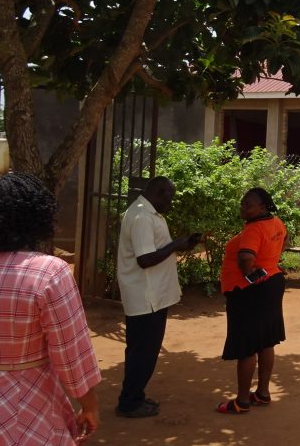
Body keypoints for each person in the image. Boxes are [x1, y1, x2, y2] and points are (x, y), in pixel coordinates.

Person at [0, 172, 102, 444]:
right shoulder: (48, 271)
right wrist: (89, 405)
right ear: (38, 217)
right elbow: (71, 351)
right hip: (29, 399)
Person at [116, 176, 201, 418]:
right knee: (143, 352)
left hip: (151, 295)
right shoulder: (142, 217)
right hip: (146, 296)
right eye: (170, 197)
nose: (171, 202)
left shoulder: (148, 213)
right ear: (159, 192)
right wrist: (175, 245)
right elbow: (145, 260)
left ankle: (135, 396)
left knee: (142, 351)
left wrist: (180, 244)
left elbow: (154, 251)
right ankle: (129, 402)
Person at [216, 187, 287, 414]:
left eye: (248, 204)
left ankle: (242, 401)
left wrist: (252, 276)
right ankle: (263, 393)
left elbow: (246, 258)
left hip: (249, 292)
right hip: (272, 286)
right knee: (266, 341)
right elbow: (283, 241)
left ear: (262, 207)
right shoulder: (275, 222)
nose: (243, 207)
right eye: (242, 203)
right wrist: (269, 265)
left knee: (247, 346)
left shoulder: (254, 229)